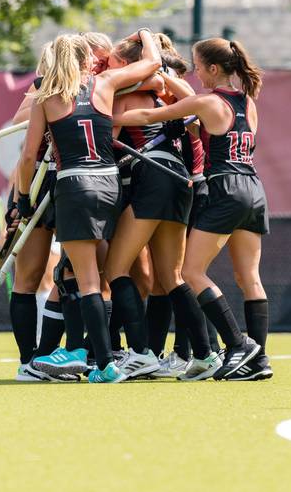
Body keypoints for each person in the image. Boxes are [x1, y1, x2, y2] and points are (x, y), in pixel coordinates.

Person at [114, 36, 270, 382]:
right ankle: (258, 360)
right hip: (254, 189)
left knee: (190, 273)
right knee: (249, 279)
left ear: (214, 68)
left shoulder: (208, 102)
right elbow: (216, 126)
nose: (195, 73)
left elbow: (150, 114)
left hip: (226, 188)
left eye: (198, 67)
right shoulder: (247, 102)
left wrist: (108, 111)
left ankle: (237, 344)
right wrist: (179, 98)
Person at [24, 30, 162, 383]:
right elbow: (153, 62)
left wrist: (24, 198)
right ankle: (109, 355)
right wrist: (146, 34)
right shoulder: (106, 82)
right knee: (106, 276)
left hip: (74, 185)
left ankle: (103, 364)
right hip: (110, 184)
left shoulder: (46, 95)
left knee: (86, 281)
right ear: (84, 59)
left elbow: (29, 155)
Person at [101, 32, 196, 379]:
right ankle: (202, 353)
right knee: (168, 277)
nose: (106, 70)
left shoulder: (141, 91)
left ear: (126, 65)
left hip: (154, 179)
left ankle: (141, 352)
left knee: (115, 270)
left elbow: (106, 135)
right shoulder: (164, 91)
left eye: (111, 65)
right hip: (179, 179)